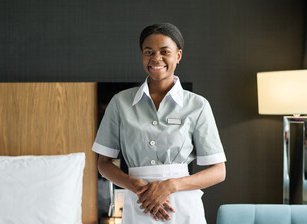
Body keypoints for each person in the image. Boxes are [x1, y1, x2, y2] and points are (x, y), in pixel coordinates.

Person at [92, 23, 226, 223]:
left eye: (165, 52)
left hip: (183, 207)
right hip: (139, 203)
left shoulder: (197, 105)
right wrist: (138, 187)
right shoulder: (120, 103)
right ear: (142, 55)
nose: (156, 58)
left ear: (178, 56)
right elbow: (103, 164)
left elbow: (218, 171)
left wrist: (170, 185)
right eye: (149, 52)